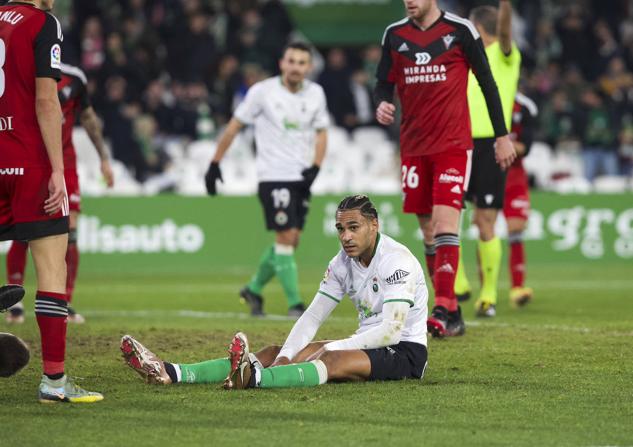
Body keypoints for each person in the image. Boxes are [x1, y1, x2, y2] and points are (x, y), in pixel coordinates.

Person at [121, 195, 428, 389]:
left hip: (404, 351)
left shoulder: (396, 261)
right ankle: (171, 372)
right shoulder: (341, 263)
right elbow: (313, 316)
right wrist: (285, 357)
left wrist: (335, 348)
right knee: (274, 351)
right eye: (340, 229)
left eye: (353, 227)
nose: (345, 236)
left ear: (374, 225)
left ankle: (254, 379)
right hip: (369, 342)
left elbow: (390, 332)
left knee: (331, 362)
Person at [374, 0, 516, 337]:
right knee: (426, 230)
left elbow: (488, 83)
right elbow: (383, 81)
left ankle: (442, 305)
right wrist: (381, 101)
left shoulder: (461, 31)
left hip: (453, 145)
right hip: (413, 147)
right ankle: (450, 310)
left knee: (444, 224)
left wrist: (502, 136)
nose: (410, 1)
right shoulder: (394, 35)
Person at [0, 0, 102, 403]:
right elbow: (47, 101)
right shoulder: (42, 23)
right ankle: (55, 383)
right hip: (29, 162)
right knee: (51, 268)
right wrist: (57, 169)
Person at [204, 42, 329, 318]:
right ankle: (296, 304)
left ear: (308, 67)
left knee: (291, 240)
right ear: (282, 63)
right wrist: (214, 163)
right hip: (273, 175)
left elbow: (322, 132)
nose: (296, 67)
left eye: (301, 62)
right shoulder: (262, 92)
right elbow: (235, 125)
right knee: (285, 237)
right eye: (291, 61)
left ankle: (253, 289)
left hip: (301, 177)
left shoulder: (316, 94)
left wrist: (316, 167)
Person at [5, 62, 114, 325]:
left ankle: (64, 301)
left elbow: (88, 118)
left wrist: (103, 158)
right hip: (29, 159)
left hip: (65, 163)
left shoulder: (74, 78)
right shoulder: (17, 71)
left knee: (70, 234)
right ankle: (14, 300)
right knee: (22, 232)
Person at [455, 1, 521, 318]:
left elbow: (505, 33)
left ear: (479, 27)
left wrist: (505, 5)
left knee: (485, 221)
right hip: (458, 140)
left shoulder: (505, 55)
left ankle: (489, 295)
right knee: (449, 214)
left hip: (492, 145)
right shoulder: (466, 57)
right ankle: (457, 281)